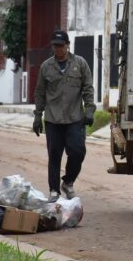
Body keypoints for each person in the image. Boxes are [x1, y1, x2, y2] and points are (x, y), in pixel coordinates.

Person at [33, 30, 95, 202]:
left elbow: (88, 89)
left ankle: (68, 182)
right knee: (54, 155)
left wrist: (89, 110)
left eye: (61, 45)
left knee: (77, 152)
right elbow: (40, 92)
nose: (58, 49)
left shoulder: (80, 64)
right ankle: (54, 190)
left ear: (68, 45)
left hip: (75, 118)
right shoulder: (46, 66)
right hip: (53, 118)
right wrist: (38, 116)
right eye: (55, 46)